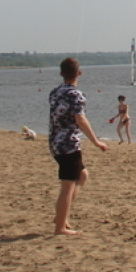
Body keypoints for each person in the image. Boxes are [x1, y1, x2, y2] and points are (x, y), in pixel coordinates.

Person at [49, 57, 109, 236]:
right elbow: (80, 119)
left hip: (55, 143)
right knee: (67, 185)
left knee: (82, 175)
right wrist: (96, 141)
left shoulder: (54, 92)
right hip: (68, 144)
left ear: (61, 74)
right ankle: (60, 226)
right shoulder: (76, 95)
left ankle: (61, 216)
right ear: (79, 73)